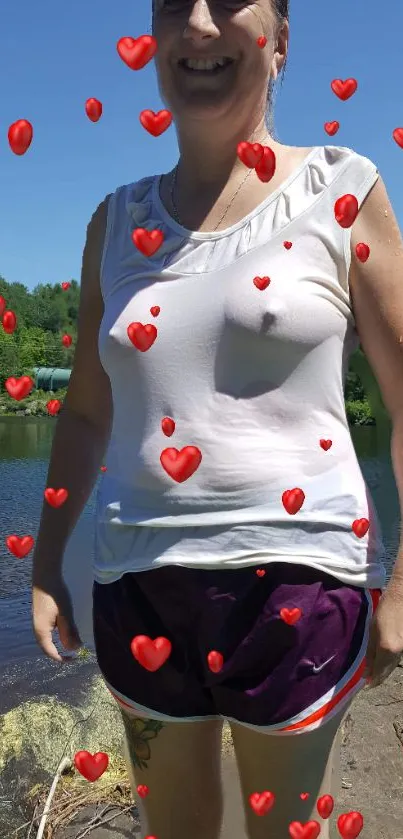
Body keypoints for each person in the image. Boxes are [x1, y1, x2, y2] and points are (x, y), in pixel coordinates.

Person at [32, 1, 403, 838]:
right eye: (171, 3)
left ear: (278, 39)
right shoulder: (113, 222)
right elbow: (88, 410)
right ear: (153, 40)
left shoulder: (341, 189)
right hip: (136, 582)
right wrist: (48, 562)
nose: (197, 22)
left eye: (230, 0)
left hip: (299, 584)